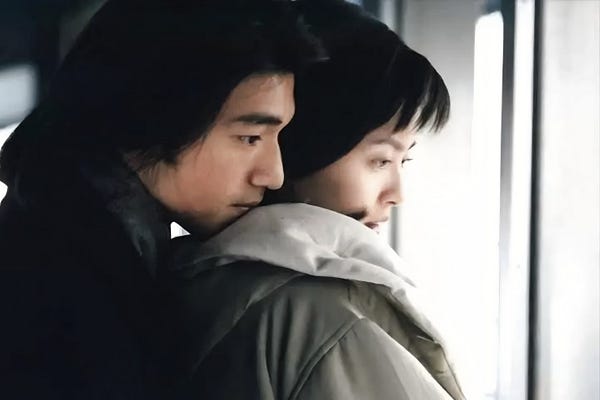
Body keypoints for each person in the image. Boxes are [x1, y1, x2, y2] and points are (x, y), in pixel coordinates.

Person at [0, 0, 323, 398]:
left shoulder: (80, 233)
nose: (273, 175)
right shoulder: (60, 284)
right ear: (157, 116)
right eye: (249, 138)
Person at [162, 1, 466, 399]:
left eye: (403, 161)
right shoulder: (329, 313)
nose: (397, 194)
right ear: (305, 144)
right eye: (380, 160)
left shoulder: (195, 281)